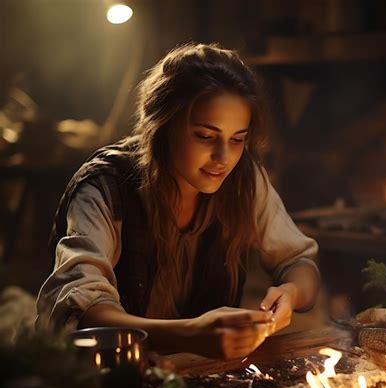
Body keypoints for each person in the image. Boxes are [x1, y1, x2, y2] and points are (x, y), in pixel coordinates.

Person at [36, 43, 320, 359]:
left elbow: (298, 261)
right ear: (163, 125)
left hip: (200, 376)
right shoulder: (106, 187)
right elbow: (84, 308)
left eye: (237, 139)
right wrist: (190, 335)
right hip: (112, 375)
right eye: (205, 136)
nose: (223, 157)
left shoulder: (243, 180)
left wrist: (290, 294)